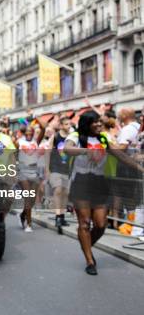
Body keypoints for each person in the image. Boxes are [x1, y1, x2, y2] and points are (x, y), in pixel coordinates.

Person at [64, 111, 144, 275]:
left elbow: (121, 155)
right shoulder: (76, 135)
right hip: (81, 182)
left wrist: (140, 168)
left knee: (100, 224)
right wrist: (85, 151)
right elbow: (67, 149)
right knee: (85, 223)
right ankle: (90, 261)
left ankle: (86, 244)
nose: (99, 125)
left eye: (100, 122)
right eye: (96, 122)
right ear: (87, 123)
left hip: (99, 183)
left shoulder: (103, 139)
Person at [16, 123, 46, 232]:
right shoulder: (19, 142)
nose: (29, 133)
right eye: (27, 132)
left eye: (31, 132)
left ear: (33, 133)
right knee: (28, 197)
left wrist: (34, 117)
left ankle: (23, 214)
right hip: (23, 172)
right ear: (24, 133)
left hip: (34, 172)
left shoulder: (36, 141)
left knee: (32, 200)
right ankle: (29, 224)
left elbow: (43, 127)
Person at [46, 117, 72, 233]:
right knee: (58, 190)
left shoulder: (72, 138)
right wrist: (47, 169)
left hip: (67, 169)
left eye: (70, 124)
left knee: (65, 193)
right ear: (61, 125)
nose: (69, 126)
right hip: (55, 168)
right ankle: (57, 217)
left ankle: (62, 216)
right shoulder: (55, 137)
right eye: (66, 124)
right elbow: (48, 152)